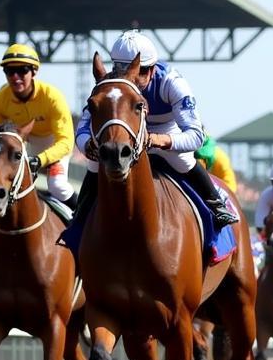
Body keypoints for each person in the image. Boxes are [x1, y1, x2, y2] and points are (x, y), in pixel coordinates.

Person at [73, 30, 238, 229]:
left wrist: (158, 140)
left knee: (184, 161)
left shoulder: (172, 83)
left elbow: (196, 136)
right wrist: (88, 145)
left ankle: (216, 205)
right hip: (124, 134)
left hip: (164, 129)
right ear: (115, 68)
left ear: (152, 69)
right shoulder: (108, 87)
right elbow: (82, 128)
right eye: (123, 70)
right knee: (93, 165)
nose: (133, 78)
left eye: (140, 71)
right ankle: (78, 218)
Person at [0, 44, 77, 211]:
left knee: (57, 185)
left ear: (34, 72)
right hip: (25, 144)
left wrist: (41, 160)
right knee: (0, 184)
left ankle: (82, 219)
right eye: (9, 71)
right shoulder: (1, 97)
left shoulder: (52, 96)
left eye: (22, 70)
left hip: (54, 144)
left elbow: (66, 142)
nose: (15, 77)